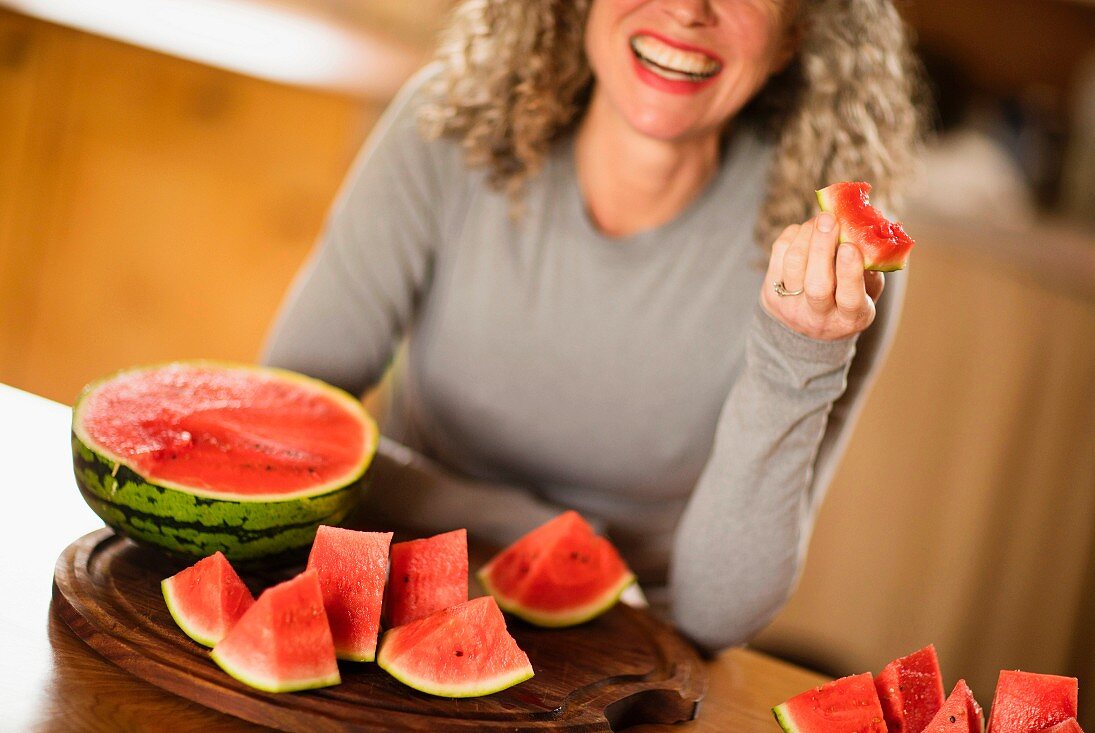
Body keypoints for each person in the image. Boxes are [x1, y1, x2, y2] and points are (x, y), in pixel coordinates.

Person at [263, 0, 925, 653]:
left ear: (795, 33)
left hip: (629, 650)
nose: (689, 10)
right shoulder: (446, 126)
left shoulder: (830, 267)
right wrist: (528, 525)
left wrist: (800, 353)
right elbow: (285, 437)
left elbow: (719, 615)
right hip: (393, 592)